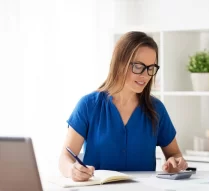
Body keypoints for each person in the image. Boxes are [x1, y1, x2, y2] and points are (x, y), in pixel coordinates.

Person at [59, 31, 188, 182]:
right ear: (120, 63)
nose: (145, 75)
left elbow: (175, 154)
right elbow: (65, 157)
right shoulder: (88, 105)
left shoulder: (156, 109)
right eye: (139, 66)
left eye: (151, 68)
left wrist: (175, 163)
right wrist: (71, 170)